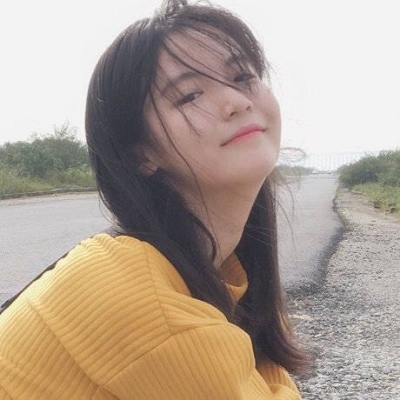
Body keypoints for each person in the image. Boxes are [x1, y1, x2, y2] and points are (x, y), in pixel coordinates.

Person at [0, 0, 308, 398]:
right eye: (190, 95)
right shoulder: (149, 305)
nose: (236, 101)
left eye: (242, 76)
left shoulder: (208, 272)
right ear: (141, 155)